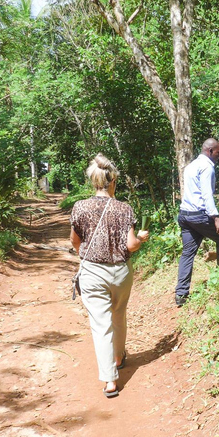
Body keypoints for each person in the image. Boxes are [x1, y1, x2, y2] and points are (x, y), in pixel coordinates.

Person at [70, 154, 149, 398]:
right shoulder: (124, 208)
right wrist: (141, 239)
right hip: (121, 271)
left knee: (100, 325)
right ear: (112, 180)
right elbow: (131, 245)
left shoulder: (80, 207)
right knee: (119, 314)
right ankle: (118, 356)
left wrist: (89, 256)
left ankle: (110, 381)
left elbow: (75, 242)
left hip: (93, 271)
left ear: (94, 182)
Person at [175, 138, 219, 307]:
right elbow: (206, 195)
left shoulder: (191, 165)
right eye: (218, 153)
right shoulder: (207, 167)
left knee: (188, 253)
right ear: (210, 151)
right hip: (197, 215)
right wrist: (216, 218)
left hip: (185, 215)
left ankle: (181, 295)